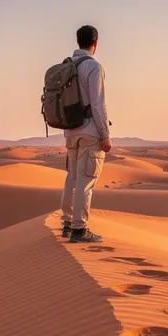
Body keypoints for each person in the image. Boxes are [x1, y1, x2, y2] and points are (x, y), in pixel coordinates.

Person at [60, 25, 111, 243]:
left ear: (77, 42)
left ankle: (68, 222)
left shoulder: (67, 66)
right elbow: (98, 104)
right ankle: (80, 230)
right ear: (95, 44)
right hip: (90, 130)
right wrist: (105, 134)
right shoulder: (93, 67)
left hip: (71, 130)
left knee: (72, 177)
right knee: (86, 180)